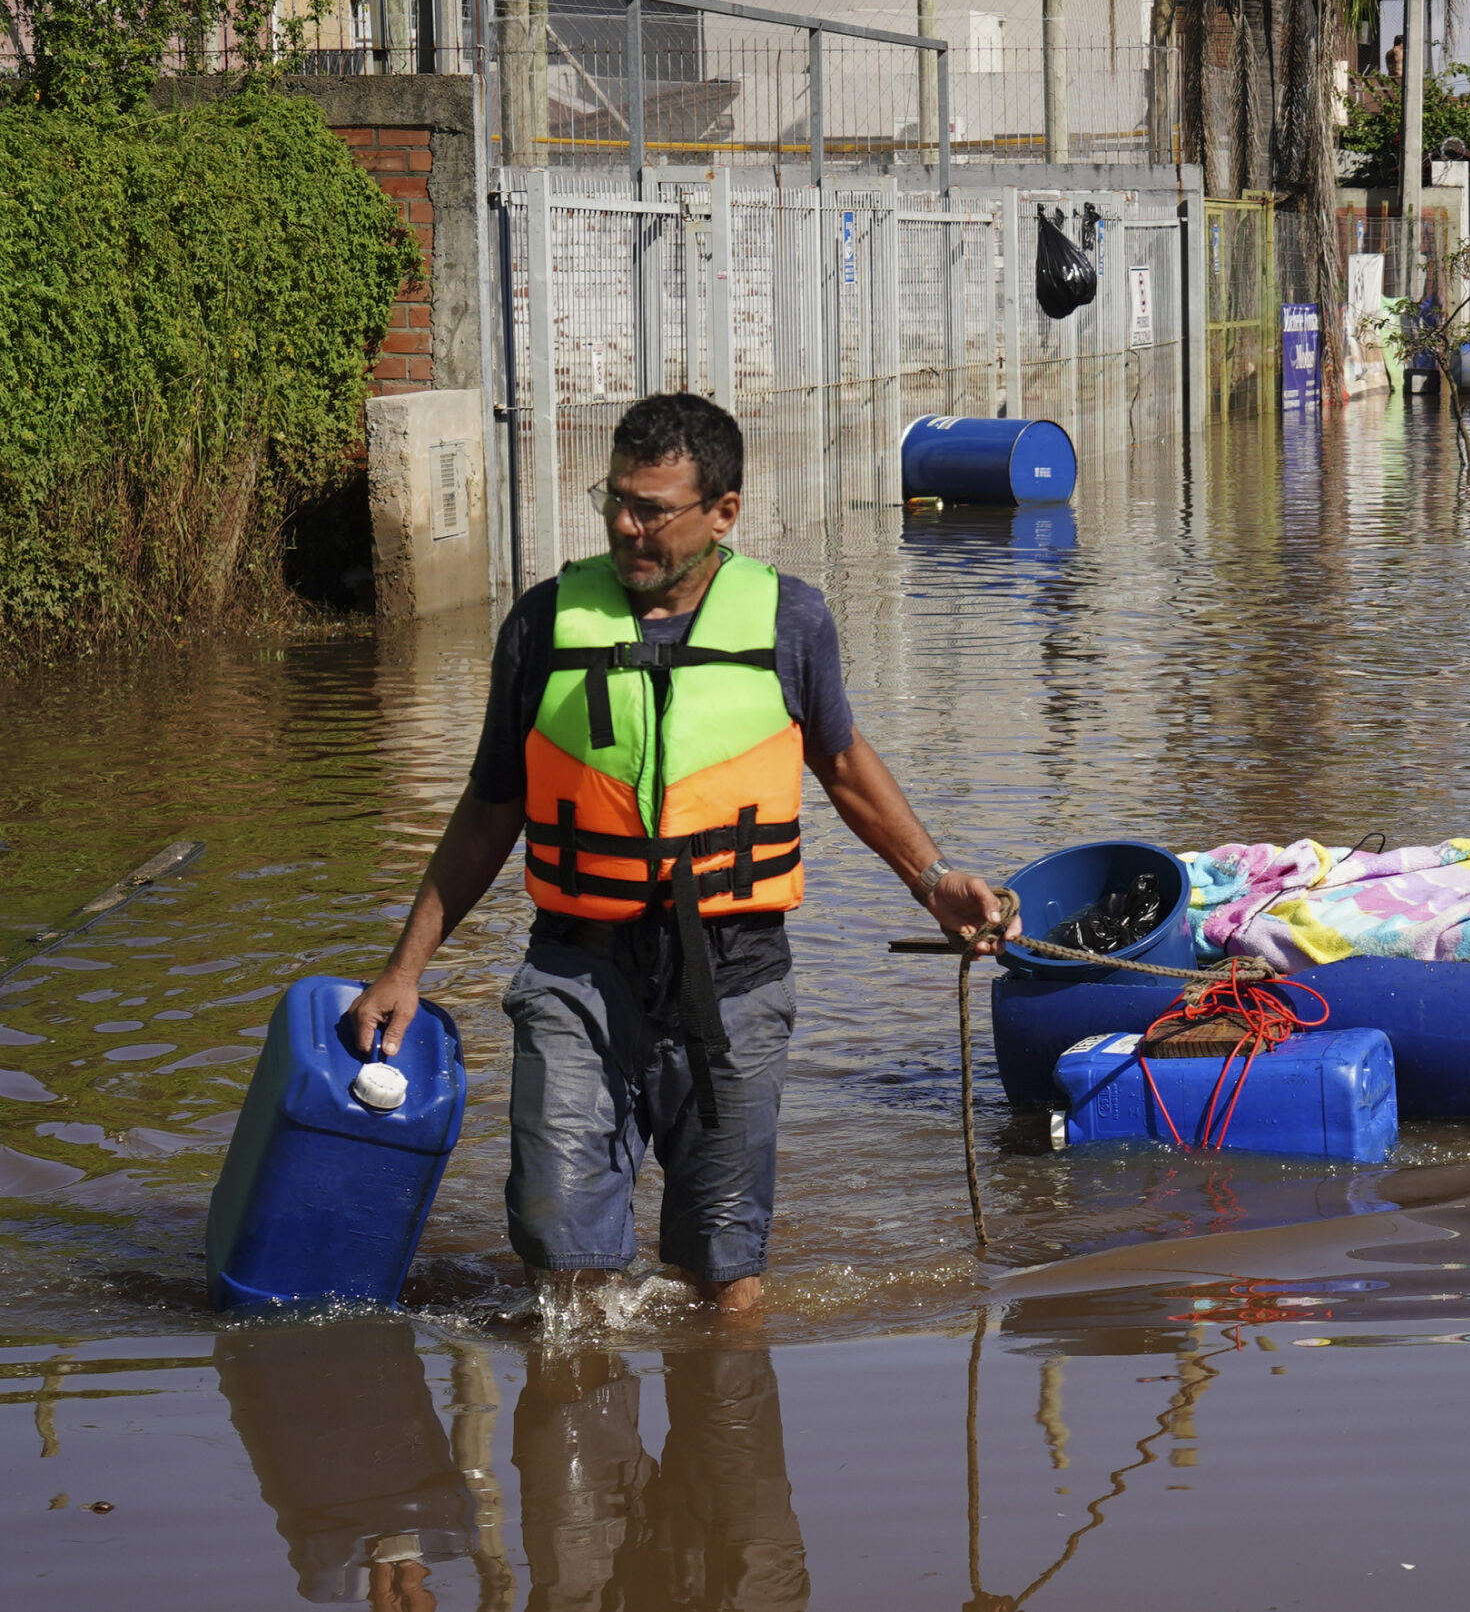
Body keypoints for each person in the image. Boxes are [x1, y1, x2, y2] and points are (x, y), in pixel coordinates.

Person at [351, 393, 1013, 1316]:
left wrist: (933, 880)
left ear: (723, 512)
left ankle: (720, 1441)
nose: (626, 526)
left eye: (652, 509)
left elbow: (844, 764)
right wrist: (405, 968)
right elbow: (489, 808)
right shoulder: (543, 626)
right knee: (562, 1265)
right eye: (615, 500)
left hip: (733, 979)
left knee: (723, 1275)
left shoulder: (792, 622)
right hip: (576, 971)